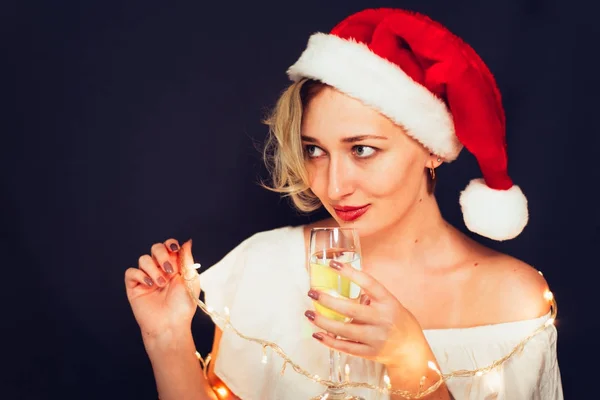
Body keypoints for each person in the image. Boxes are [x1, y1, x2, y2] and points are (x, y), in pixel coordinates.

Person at [125, 7, 563, 400]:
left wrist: (412, 363)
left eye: (362, 150)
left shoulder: (512, 300)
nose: (334, 186)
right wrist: (167, 339)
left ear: (432, 149)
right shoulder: (265, 265)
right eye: (314, 150)